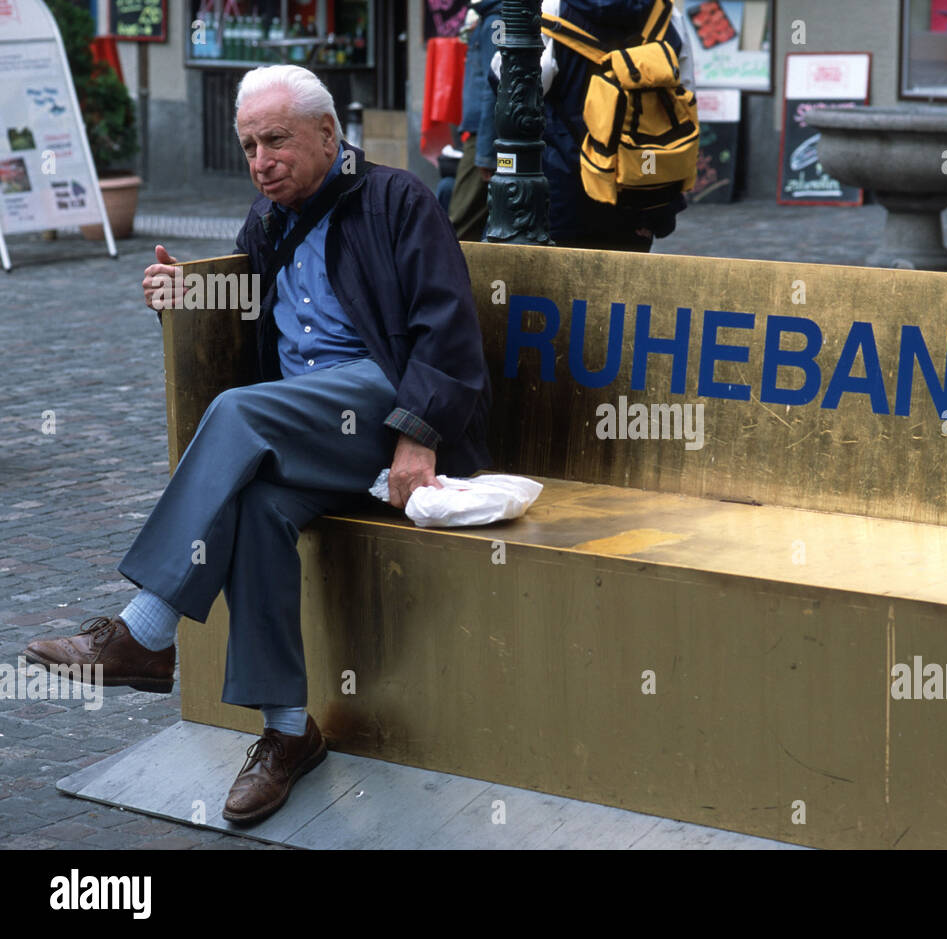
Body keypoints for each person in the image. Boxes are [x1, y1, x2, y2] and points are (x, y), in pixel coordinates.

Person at [23, 64, 491, 826]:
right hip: (307, 432)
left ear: (328, 134)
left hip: (387, 408)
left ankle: (146, 632)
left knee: (239, 414)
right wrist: (181, 298)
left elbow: (449, 330)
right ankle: (286, 732)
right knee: (258, 504)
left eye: (275, 140)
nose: (260, 161)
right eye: (247, 146)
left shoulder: (398, 200)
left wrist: (418, 437)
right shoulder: (267, 219)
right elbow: (242, 319)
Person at [494, 0, 691, 251]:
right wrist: (662, 206)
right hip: (639, 187)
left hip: (564, 184)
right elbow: (685, 103)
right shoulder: (666, 13)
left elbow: (516, 86)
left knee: (560, 284)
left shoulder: (551, 8)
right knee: (623, 285)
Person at [447, 0, 503, 241]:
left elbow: (494, 86)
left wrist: (484, 152)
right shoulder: (489, 18)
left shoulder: (494, 20)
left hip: (484, 135)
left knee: (459, 224)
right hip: (482, 132)